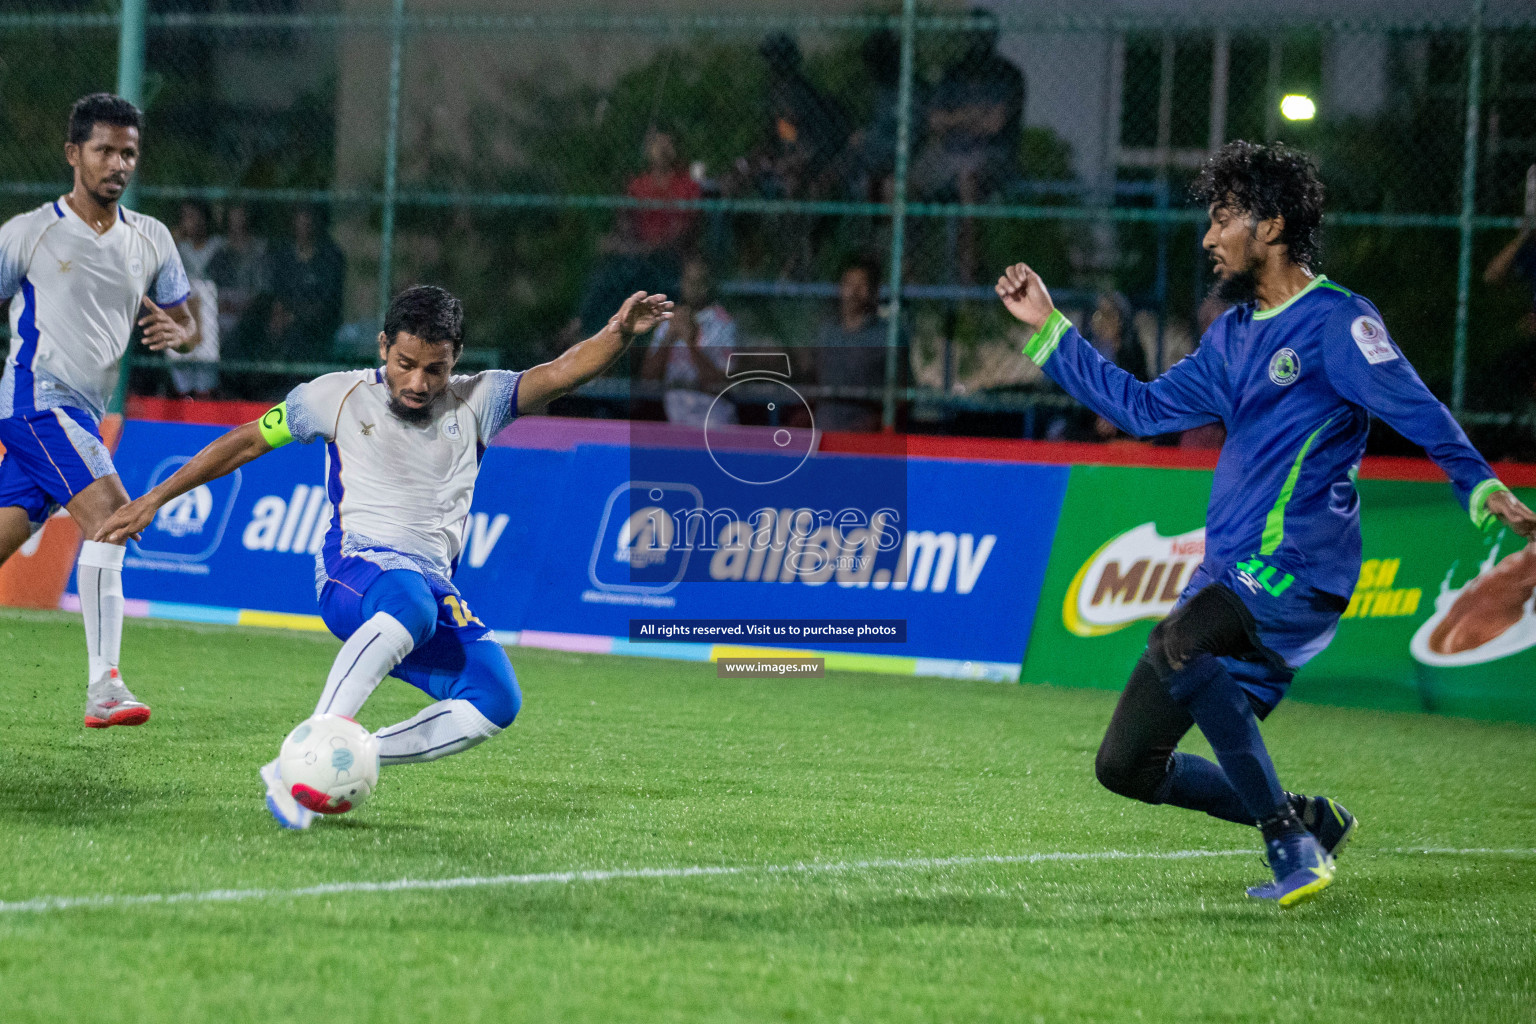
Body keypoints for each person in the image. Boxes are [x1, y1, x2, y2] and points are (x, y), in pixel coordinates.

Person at [995, 140, 1536, 907]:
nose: (1209, 237)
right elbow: (1143, 409)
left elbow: (1417, 407)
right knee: (1126, 765)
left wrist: (1479, 485)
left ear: (1272, 225)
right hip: (1231, 574)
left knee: (1178, 639)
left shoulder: (1338, 323)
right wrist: (1051, 328)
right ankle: (1308, 819)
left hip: (1299, 567)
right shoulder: (1233, 335)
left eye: (1223, 219)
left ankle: (1291, 847)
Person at [98, 284, 672, 828]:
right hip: (355, 569)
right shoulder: (334, 396)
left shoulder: (481, 400)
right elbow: (246, 440)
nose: (419, 382)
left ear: (455, 361)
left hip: (428, 585)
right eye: (405, 363)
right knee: (410, 604)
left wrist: (619, 332)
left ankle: (350, 754)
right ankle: (306, 754)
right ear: (383, 348)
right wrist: (154, 498)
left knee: (495, 699)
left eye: (435, 368)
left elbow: (563, 372)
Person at [0, 93, 197, 728]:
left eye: (129, 153)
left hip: (84, 412)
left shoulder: (152, 239)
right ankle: (104, 686)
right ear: (72, 154)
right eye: (104, 150)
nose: (118, 163)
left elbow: (187, 318)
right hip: (36, 401)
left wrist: (179, 333)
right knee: (115, 518)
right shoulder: (27, 234)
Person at [913, 8, 1025, 281]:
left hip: (992, 156)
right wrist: (974, 115)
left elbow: (995, 124)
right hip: (948, 153)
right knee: (903, 184)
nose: (977, 42)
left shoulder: (1008, 75)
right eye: (973, 36)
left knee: (968, 180)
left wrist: (956, 117)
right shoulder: (954, 74)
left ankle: (967, 274)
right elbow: (934, 120)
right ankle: (907, 269)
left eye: (983, 36)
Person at [574, 129, 700, 336]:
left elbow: (681, 233)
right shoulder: (637, 185)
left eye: (666, 144)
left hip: (668, 259)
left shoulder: (687, 186)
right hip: (636, 258)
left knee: (624, 273)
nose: (661, 150)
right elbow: (624, 225)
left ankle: (580, 330)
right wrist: (618, 243)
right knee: (606, 277)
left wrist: (641, 248)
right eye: (656, 143)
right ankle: (582, 329)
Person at [813, 255, 906, 432]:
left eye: (861, 285)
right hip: (824, 432)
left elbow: (903, 393)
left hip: (866, 437)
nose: (854, 292)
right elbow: (813, 381)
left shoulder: (889, 335)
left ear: (874, 291)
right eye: (848, 284)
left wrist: (878, 422)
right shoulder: (827, 332)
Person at [640, 256, 737, 426]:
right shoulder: (669, 320)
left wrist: (690, 342)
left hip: (714, 419)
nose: (695, 288)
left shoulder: (723, 323)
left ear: (709, 284)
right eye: (689, 281)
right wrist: (669, 337)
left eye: (700, 281)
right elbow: (648, 377)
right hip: (673, 418)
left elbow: (720, 384)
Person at [267, 205, 345, 358]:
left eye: (308, 219)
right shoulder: (284, 256)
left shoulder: (330, 257)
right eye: (300, 219)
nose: (304, 225)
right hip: (285, 322)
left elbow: (327, 303)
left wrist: (295, 316)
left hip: (318, 325)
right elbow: (277, 293)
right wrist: (279, 314)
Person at [170, 200, 223, 397]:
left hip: (210, 314)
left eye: (193, 216)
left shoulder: (218, 246)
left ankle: (205, 394)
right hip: (183, 311)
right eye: (185, 218)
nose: (189, 222)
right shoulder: (178, 247)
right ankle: (183, 394)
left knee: (205, 372)